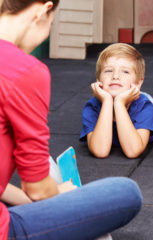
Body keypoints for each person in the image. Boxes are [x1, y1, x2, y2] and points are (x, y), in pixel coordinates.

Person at [0, 1, 142, 239]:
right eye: (52, 23)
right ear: (43, 10)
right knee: (125, 193)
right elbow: (35, 187)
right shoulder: (25, 71)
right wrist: (61, 192)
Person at [80, 43, 153, 158]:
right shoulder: (92, 107)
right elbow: (100, 151)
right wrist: (107, 102)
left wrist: (119, 103)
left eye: (125, 71)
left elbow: (133, 151)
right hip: (126, 93)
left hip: (145, 101)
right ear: (98, 80)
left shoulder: (145, 107)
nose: (115, 76)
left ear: (138, 83)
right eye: (108, 71)